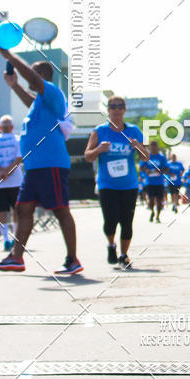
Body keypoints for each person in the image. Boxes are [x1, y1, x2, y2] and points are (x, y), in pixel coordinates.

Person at [0, 49, 83, 275]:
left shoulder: (53, 93)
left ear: (42, 76)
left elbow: (33, 79)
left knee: (61, 210)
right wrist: (14, 85)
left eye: (33, 75)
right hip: (35, 168)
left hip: (51, 164)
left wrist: (9, 56)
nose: (28, 79)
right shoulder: (39, 103)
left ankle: (72, 260)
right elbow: (29, 99)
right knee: (22, 209)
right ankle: (16, 258)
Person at [84, 96, 148, 269]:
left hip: (129, 184)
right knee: (110, 220)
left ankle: (124, 255)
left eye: (120, 106)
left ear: (125, 110)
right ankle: (111, 245)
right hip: (107, 184)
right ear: (108, 110)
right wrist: (99, 149)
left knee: (127, 221)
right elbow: (88, 156)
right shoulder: (99, 131)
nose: (117, 110)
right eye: (113, 107)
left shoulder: (133, 131)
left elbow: (146, 157)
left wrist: (139, 147)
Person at [0, 115, 23, 252]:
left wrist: (3, 171)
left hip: (3, 180)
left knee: (5, 212)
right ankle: (10, 239)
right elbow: (19, 159)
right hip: (9, 181)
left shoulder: (16, 140)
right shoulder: (17, 139)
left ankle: (8, 239)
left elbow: (19, 159)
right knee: (13, 211)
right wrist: (7, 171)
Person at [140, 140, 168, 223]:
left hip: (159, 182)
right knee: (151, 199)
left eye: (155, 146)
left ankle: (158, 216)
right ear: (150, 147)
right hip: (149, 182)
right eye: (152, 146)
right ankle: (152, 211)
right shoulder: (147, 156)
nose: (153, 148)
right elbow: (142, 167)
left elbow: (166, 168)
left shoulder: (162, 157)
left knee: (159, 200)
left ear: (157, 147)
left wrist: (160, 171)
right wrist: (146, 170)